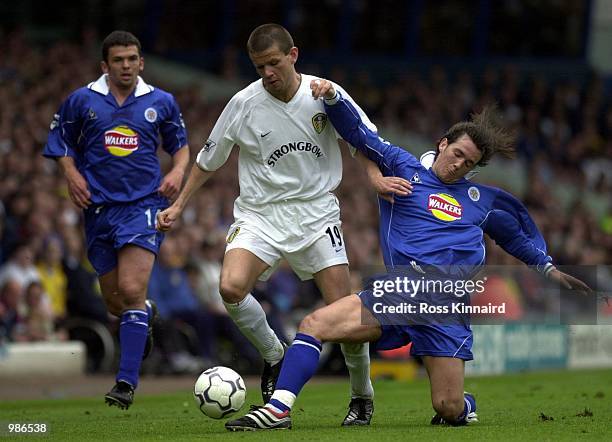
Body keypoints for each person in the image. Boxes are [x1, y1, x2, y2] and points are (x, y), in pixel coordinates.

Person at [224, 79, 592, 430]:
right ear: (443, 143)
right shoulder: (404, 168)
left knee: (448, 408)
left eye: (469, 163)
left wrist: (548, 269)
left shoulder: (481, 201)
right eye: (458, 154)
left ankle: (466, 404)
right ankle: (278, 410)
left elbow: (516, 235)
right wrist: (333, 96)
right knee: (314, 325)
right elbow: (359, 136)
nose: (460, 165)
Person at [157, 23, 410, 426]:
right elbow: (209, 160)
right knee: (230, 287)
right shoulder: (243, 103)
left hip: (316, 213)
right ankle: (275, 355)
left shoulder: (325, 94)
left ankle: (362, 394)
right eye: (259, 66)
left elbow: (359, 138)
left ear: (293, 56)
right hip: (261, 213)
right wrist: (179, 205)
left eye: (273, 63)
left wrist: (374, 176)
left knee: (344, 312)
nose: (267, 73)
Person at [43, 30, 190, 409]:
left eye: (132, 59)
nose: (126, 65)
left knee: (130, 288)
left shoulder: (161, 102)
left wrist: (176, 172)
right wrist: (71, 174)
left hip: (143, 206)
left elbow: (182, 148)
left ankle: (125, 384)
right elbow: (60, 141)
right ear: (105, 66)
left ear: (141, 62)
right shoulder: (81, 100)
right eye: (118, 60)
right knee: (115, 301)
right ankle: (145, 314)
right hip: (98, 210)